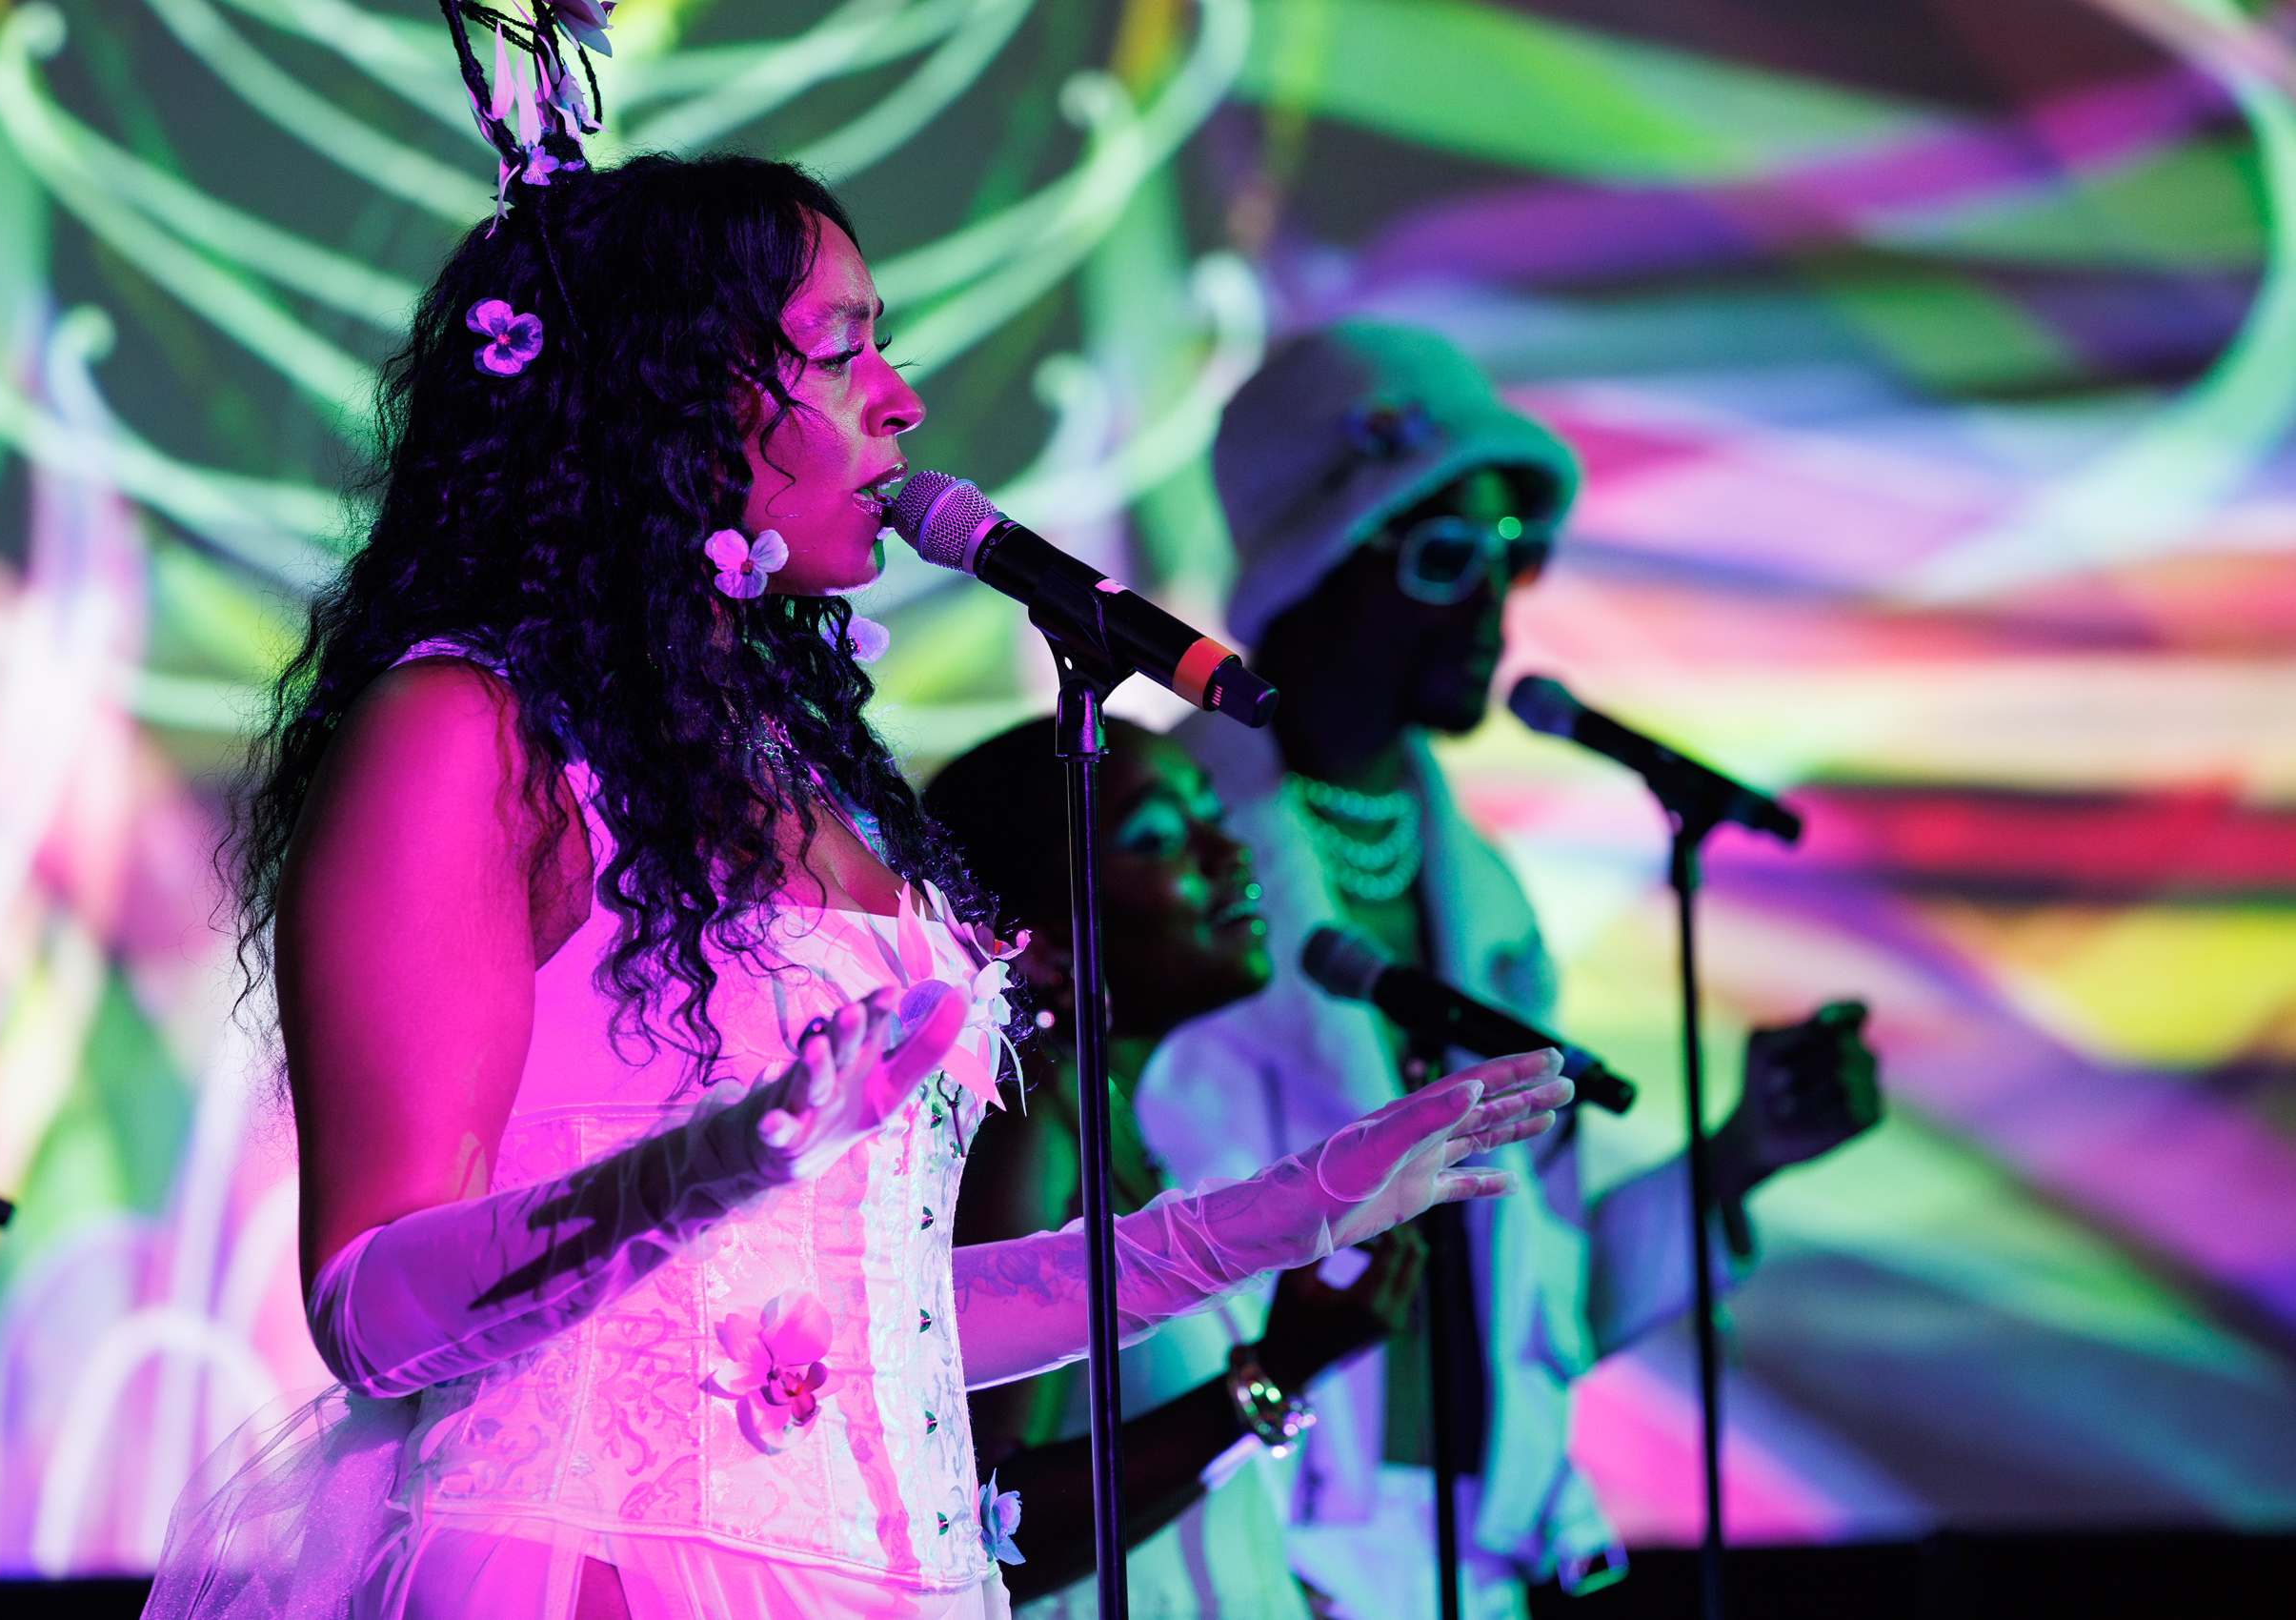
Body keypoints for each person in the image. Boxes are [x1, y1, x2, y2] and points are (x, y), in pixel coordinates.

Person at [142, 15, 1577, 1617]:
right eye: (840, 352)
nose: (899, 403)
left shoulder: (807, 775)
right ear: (668, 408)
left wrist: (1291, 1210)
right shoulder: (466, 732)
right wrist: (699, 1169)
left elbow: (889, 1321)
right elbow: (371, 1312)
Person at [1137, 322, 1883, 1620]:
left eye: (1511, 559)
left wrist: (1741, 1156)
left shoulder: (1482, 901)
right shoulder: (1165, 861)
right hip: (1237, 1555)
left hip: (1478, 1566)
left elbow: (1548, 1300)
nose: (1493, 605)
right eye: (1442, 558)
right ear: (1314, 573)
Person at [926, 717, 1425, 1620]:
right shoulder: (1028, 1124)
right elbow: (981, 1521)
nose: (1228, 850)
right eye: (1157, 838)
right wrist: (1271, 1375)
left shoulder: (1109, 1119)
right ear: (1033, 937)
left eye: (1209, 815)